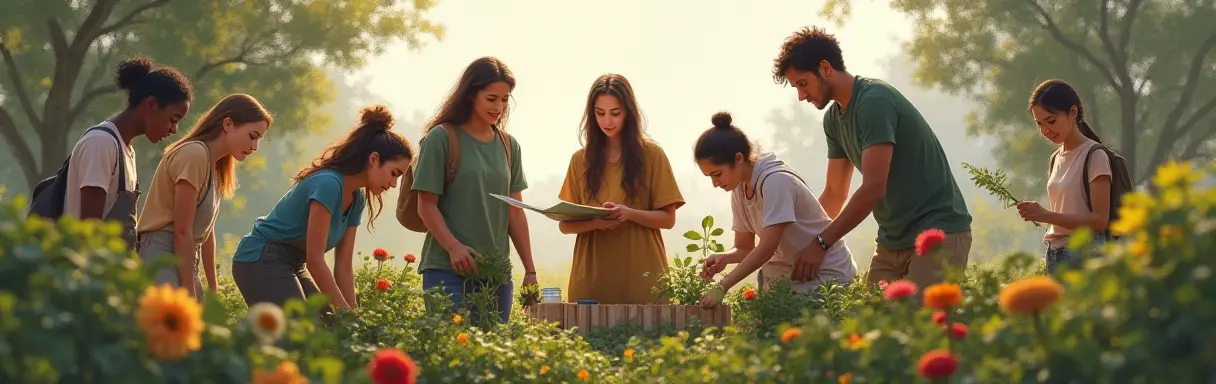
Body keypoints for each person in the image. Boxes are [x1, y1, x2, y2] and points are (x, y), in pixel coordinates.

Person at [771, 26, 973, 289]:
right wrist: (797, 244)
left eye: (802, 83)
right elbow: (834, 193)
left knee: (921, 325)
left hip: (938, 234)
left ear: (825, 68)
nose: (800, 96)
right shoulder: (834, 120)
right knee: (871, 325)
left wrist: (821, 243)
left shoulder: (874, 102)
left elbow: (874, 188)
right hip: (891, 245)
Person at [231, 105, 412, 312]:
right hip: (261, 257)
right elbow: (315, 260)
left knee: (329, 326)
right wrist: (345, 314)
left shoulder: (357, 198)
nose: (394, 184)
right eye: (394, 173)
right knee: (302, 330)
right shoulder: (328, 184)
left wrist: (352, 318)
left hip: (294, 263)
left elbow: (343, 267)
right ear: (374, 159)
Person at [411, 56, 535, 324]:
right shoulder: (441, 139)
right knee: (453, 355)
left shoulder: (509, 146)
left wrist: (530, 270)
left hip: (496, 275)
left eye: (505, 99)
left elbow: (516, 213)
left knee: (493, 360)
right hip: (447, 270)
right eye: (491, 98)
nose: (499, 107)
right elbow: (426, 204)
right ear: (470, 95)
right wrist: (454, 247)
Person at [693, 112, 857, 307]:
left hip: (825, 278)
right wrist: (725, 257)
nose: (715, 183)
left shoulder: (775, 181)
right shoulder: (739, 188)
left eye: (717, 174)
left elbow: (767, 247)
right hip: (789, 280)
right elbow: (745, 247)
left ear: (738, 159)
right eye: (709, 177)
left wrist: (722, 287)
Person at [557, 74, 685, 304]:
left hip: (643, 277)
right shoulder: (580, 160)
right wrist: (597, 222)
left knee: (650, 339)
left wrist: (628, 213)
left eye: (615, 113)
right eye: (600, 113)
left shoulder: (653, 156)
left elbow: (668, 219)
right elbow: (565, 225)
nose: (607, 121)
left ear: (629, 112)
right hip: (592, 279)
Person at [136, 94, 272, 302]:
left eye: (259, 140)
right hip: (161, 253)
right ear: (228, 124)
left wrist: (213, 287)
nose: (255, 146)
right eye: (252, 136)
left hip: (185, 257)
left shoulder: (215, 164)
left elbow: (205, 232)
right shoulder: (195, 154)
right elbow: (182, 230)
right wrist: (189, 293)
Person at [63, 57, 193, 249]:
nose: (174, 130)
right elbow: (89, 231)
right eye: (173, 119)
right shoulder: (101, 144)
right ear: (150, 104)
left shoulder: (126, 149)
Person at [1015, 79, 1113, 273]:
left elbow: (1100, 221)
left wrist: (1045, 215)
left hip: (1084, 257)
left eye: (1051, 121)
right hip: (1055, 256)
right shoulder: (1054, 159)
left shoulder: (1095, 155)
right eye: (1039, 124)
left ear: (1073, 112)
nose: (1045, 131)